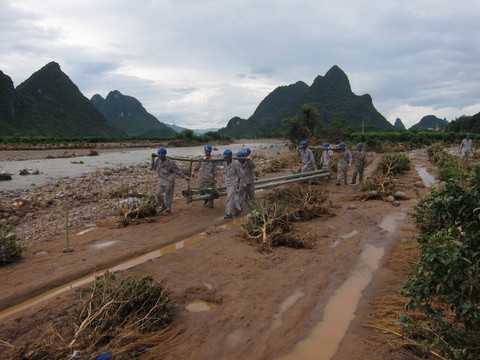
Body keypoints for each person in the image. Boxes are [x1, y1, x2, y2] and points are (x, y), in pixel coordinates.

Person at [151, 147, 189, 215]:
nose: (161, 157)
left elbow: (177, 170)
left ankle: (168, 209)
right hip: (161, 180)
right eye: (160, 156)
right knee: (158, 193)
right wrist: (152, 160)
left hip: (169, 180)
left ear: (165, 155)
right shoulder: (158, 160)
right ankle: (162, 205)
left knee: (168, 195)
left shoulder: (170, 162)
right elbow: (153, 168)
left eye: (162, 156)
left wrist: (184, 176)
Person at [222, 149, 245, 219]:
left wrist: (242, 182)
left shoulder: (236, 163)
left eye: (226, 158)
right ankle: (238, 209)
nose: (225, 159)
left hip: (234, 183)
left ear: (230, 157)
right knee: (232, 198)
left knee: (229, 198)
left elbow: (241, 174)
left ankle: (228, 213)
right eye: (224, 158)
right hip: (228, 183)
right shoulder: (224, 163)